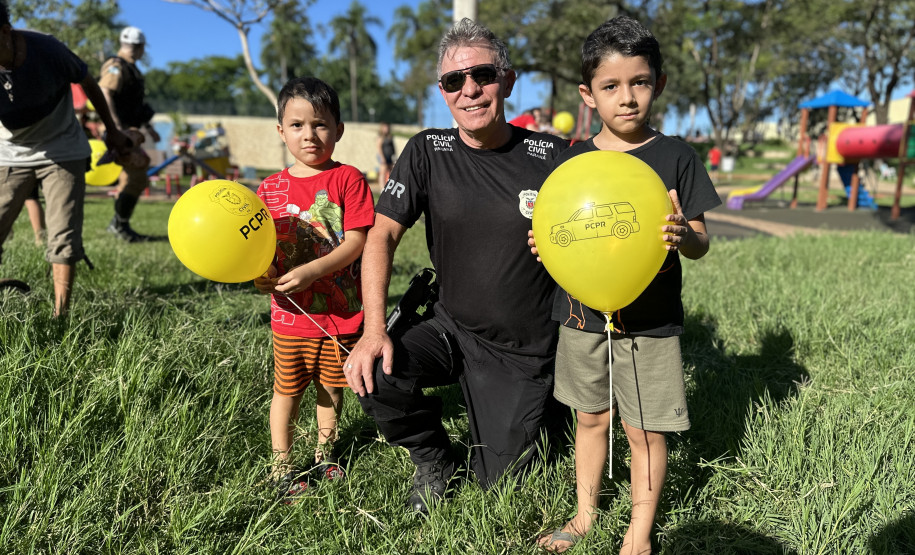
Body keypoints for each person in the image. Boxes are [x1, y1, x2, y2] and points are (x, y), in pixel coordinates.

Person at [343, 18, 568, 515]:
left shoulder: (551, 156)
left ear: (507, 81)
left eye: (483, 75)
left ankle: (551, 405)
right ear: (442, 91)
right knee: (372, 370)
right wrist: (374, 330)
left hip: (521, 350)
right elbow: (382, 234)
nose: (469, 90)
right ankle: (434, 460)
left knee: (501, 487)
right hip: (450, 327)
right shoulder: (427, 150)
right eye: (453, 80)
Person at [531, 16, 721, 553]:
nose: (627, 97)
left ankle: (640, 531)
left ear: (659, 83)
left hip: (651, 322)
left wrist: (684, 234)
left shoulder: (677, 156)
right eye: (611, 86)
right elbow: (558, 226)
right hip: (581, 315)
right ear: (587, 95)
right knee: (591, 418)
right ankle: (584, 517)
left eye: (640, 82)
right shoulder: (572, 160)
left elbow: (702, 242)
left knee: (645, 430)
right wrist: (546, 243)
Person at [253, 76, 374, 501]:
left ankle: (326, 452)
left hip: (341, 313)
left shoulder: (348, 179)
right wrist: (263, 272)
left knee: (331, 387)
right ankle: (281, 465)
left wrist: (312, 271)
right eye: (298, 125)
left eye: (320, 124)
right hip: (290, 319)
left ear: (338, 129)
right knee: (286, 390)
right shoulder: (268, 189)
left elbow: (356, 241)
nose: (310, 134)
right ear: (281, 130)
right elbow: (260, 247)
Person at [0, 1, 130, 315]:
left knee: (63, 235)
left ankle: (61, 317)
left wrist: (113, 131)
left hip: (61, 148)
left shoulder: (47, 50)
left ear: (5, 32)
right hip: (11, 152)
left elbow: (89, 83)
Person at [98, 25, 160, 243]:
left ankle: (119, 223)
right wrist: (114, 127)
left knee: (131, 177)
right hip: (120, 131)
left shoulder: (130, 68)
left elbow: (135, 105)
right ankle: (119, 225)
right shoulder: (116, 65)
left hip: (128, 131)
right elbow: (105, 92)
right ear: (141, 47)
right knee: (137, 176)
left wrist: (148, 127)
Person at [376, 121, 395, 189]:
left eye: (387, 127)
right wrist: (382, 157)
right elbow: (379, 148)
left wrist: (394, 156)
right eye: (385, 127)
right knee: (383, 172)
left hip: (390, 156)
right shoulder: (380, 137)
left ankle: (390, 187)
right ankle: (382, 188)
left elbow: (393, 147)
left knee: (391, 171)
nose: (386, 129)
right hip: (383, 156)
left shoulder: (390, 137)